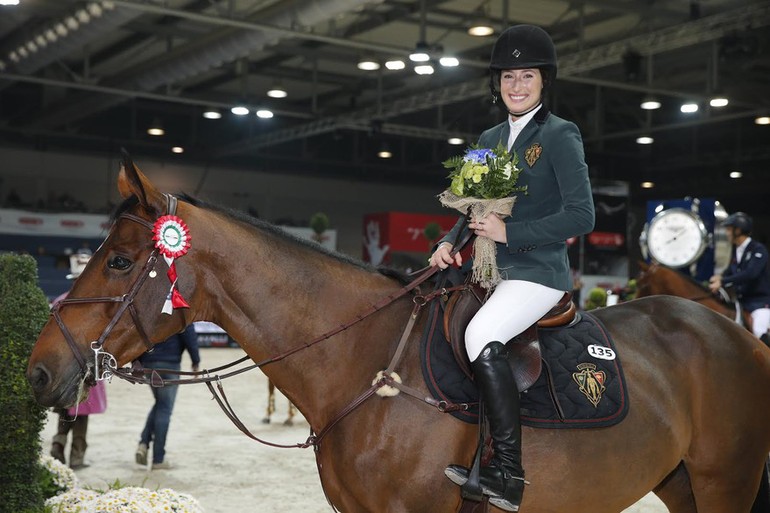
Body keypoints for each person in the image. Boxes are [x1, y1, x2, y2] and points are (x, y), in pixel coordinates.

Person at [430, 24, 595, 512]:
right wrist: (448, 242)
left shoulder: (561, 135)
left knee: (480, 336)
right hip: (486, 271)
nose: (516, 85)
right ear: (496, 82)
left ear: (544, 80)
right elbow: (470, 204)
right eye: (508, 76)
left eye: (527, 75)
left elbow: (582, 214)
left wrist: (511, 233)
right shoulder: (488, 136)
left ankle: (509, 473)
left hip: (538, 272)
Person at [50, 250, 107, 470]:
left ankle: (58, 443)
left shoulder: (60, 301)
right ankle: (77, 456)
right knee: (82, 414)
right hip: (86, 367)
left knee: (66, 410)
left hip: (64, 367)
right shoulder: (95, 305)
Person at [135, 324, 200, 470]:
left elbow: (138, 332)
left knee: (160, 404)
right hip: (170, 364)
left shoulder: (148, 303)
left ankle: (143, 443)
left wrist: (136, 361)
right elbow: (188, 333)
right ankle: (158, 459)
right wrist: (195, 361)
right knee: (164, 408)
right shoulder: (178, 303)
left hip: (148, 363)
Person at [709, 212, 770, 344]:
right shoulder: (736, 250)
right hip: (740, 302)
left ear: (738, 230)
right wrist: (719, 277)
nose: (727, 233)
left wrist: (722, 281)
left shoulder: (758, 249)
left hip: (759, 303)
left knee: (759, 330)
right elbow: (731, 270)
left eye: (729, 229)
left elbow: (750, 274)